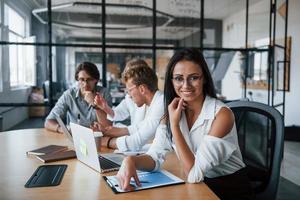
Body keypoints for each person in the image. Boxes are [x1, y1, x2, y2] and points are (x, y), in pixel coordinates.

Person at [116, 48, 254, 200]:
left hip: (228, 189)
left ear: (204, 79)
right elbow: (155, 158)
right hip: (198, 187)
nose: (186, 85)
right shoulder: (173, 112)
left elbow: (194, 174)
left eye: (194, 77)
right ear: (172, 81)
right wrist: (131, 161)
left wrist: (175, 126)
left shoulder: (221, 115)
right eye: (179, 78)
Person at [93, 59, 164, 152]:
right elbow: (137, 128)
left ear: (142, 89)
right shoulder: (155, 101)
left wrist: (106, 141)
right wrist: (107, 131)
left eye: (130, 90)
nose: (129, 95)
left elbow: (135, 141)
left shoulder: (161, 102)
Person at [44, 62, 112, 133]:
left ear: (96, 80)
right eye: (82, 79)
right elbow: (48, 122)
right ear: (77, 79)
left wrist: (95, 105)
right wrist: (62, 129)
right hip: (76, 138)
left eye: (89, 79)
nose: (85, 84)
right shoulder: (69, 95)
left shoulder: (104, 94)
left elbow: (107, 127)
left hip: (98, 138)